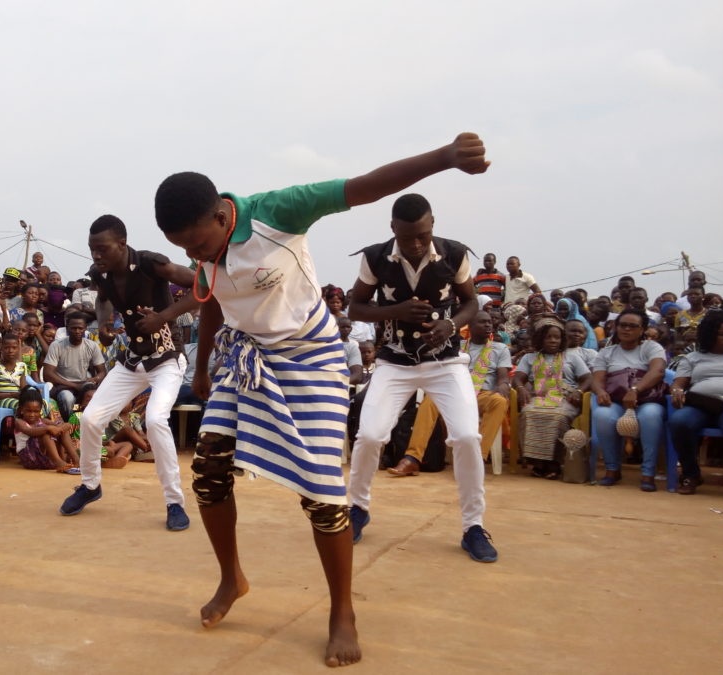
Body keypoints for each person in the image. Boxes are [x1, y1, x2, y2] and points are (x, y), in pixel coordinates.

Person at [152, 133, 489, 667]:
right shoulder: (205, 249)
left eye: (198, 245)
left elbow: (367, 187)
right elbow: (210, 296)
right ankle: (231, 578)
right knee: (209, 469)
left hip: (311, 358)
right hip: (247, 357)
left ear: (221, 215)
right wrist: (201, 366)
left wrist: (445, 157)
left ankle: (342, 612)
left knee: (322, 494)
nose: (194, 256)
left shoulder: (278, 211)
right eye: (184, 250)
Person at [347, 192, 499, 564]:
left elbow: (470, 302)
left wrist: (451, 325)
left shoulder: (454, 254)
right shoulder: (375, 257)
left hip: (445, 362)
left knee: (466, 436)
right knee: (370, 435)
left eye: (422, 235)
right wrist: (395, 310)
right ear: (392, 228)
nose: (415, 244)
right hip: (395, 362)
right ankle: (357, 508)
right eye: (406, 237)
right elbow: (356, 308)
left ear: (433, 225)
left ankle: (474, 526)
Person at [58, 215, 198, 531]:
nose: (96, 256)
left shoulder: (151, 264)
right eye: (92, 249)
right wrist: (104, 324)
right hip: (132, 361)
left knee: (156, 420)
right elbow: (103, 298)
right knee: (91, 419)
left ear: (122, 244)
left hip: (167, 359)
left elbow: (201, 285)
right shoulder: (100, 273)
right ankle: (90, 485)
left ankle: (174, 502)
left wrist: (164, 316)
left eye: (102, 249)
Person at [388, 310, 512, 477]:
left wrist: (503, 384)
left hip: (482, 394)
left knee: (500, 401)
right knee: (429, 401)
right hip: (455, 394)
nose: (488, 325)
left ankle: (476, 459)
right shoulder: (456, 346)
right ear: (470, 326)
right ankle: (413, 458)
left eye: (489, 322)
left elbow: (503, 376)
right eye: (483, 322)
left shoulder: (500, 348)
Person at [590, 309, 667, 490]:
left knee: (650, 416)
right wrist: (600, 391)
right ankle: (612, 469)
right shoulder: (606, 352)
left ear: (642, 329)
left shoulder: (652, 347)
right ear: (616, 327)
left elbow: (658, 371)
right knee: (603, 416)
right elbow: (597, 379)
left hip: (647, 399)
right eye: (622, 325)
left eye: (633, 326)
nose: (626, 329)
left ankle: (648, 473)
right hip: (616, 400)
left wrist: (635, 390)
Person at [511, 318, 591, 478]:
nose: (553, 340)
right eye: (548, 337)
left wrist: (579, 391)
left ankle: (555, 462)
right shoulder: (529, 358)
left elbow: (588, 378)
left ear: (562, 339)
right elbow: (518, 378)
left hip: (566, 398)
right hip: (539, 397)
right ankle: (538, 463)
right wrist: (520, 388)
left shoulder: (572, 357)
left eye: (557, 337)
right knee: (528, 413)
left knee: (558, 417)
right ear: (540, 339)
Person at [667, 309, 723, 494]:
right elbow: (678, 383)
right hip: (701, 405)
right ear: (710, 334)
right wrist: (676, 391)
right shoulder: (693, 357)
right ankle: (691, 474)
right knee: (680, 421)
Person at [44, 313, 107, 417]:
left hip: (84, 384)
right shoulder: (57, 345)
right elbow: (48, 374)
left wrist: (95, 379)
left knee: (93, 397)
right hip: (63, 386)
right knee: (68, 399)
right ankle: (71, 423)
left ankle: (87, 421)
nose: (77, 331)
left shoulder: (92, 346)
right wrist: (74, 386)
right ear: (67, 328)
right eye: (73, 328)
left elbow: (102, 372)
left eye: (80, 328)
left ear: (85, 328)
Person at [14, 386, 80, 472]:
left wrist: (61, 428)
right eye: (29, 411)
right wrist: (49, 428)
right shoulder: (19, 422)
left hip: (46, 458)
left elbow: (66, 425)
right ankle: (59, 462)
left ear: (40, 410)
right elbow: (30, 431)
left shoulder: (43, 420)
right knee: (46, 433)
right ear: (21, 410)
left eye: (36, 411)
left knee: (62, 431)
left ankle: (76, 460)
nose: (32, 414)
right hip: (30, 458)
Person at [0, 332, 28, 410]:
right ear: (1, 348)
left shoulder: (22, 366)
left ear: (18, 349)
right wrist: (12, 395)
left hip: (19, 399)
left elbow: (24, 388)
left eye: (14, 348)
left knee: (45, 403)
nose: (10, 351)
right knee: (22, 406)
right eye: (6, 348)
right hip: (1, 400)